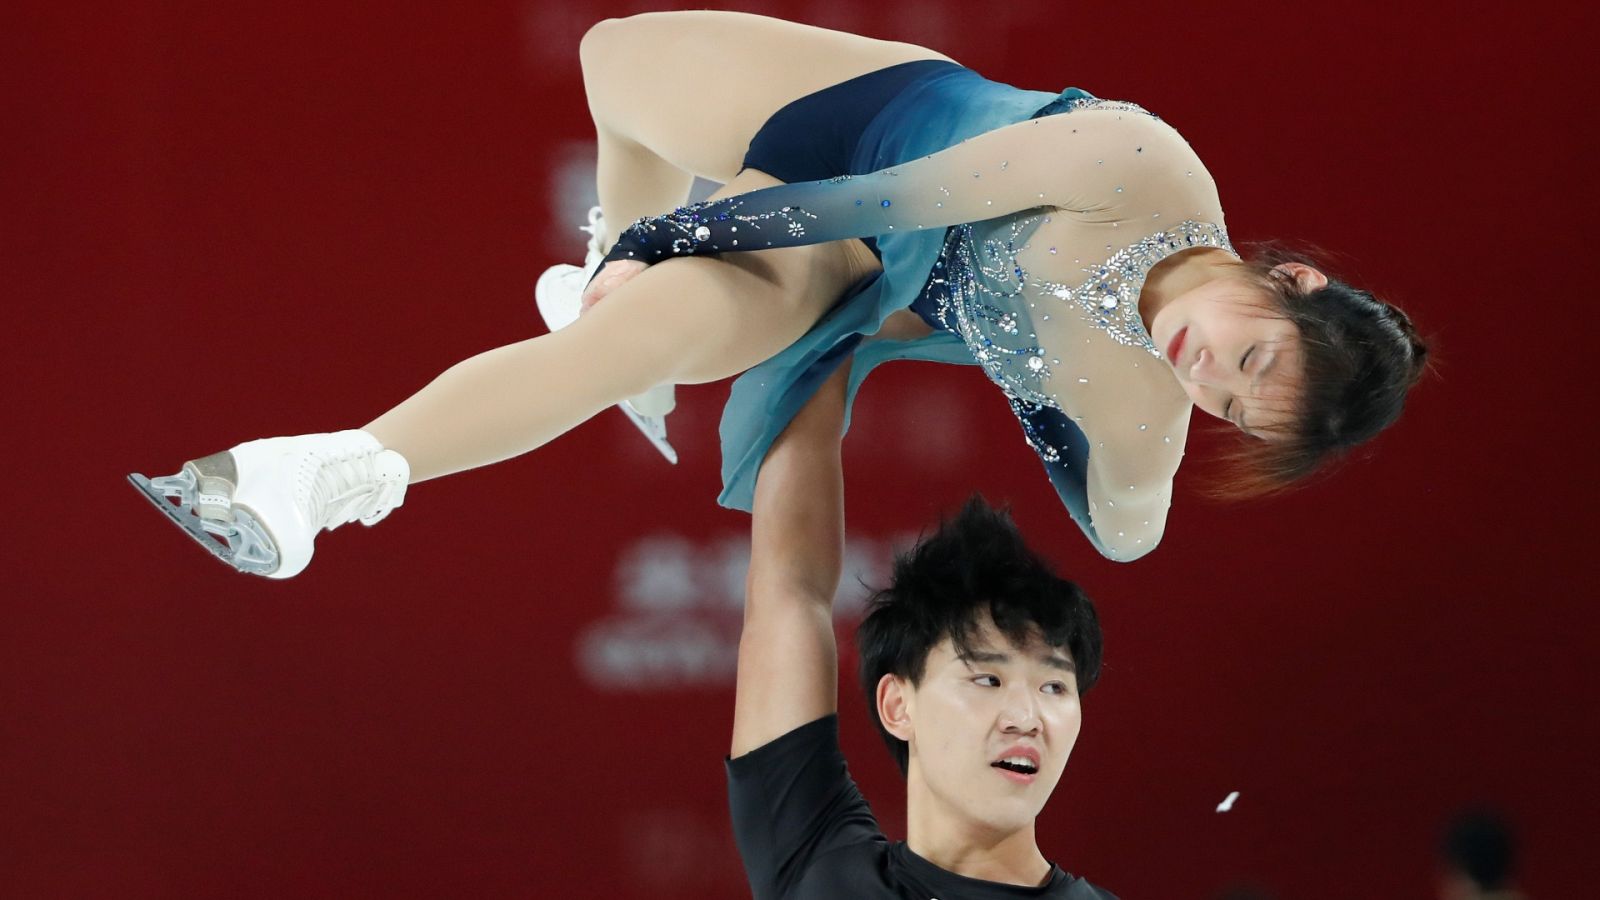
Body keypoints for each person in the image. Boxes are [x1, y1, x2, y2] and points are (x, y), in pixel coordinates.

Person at [128, 11, 1428, 578]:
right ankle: (609, 271)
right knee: (612, 61)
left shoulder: (1150, 413)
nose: (1217, 381)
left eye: (1244, 412)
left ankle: (321, 480)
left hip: (844, 270)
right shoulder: (1145, 163)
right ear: (1290, 281)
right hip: (882, 139)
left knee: (635, 340)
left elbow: (1121, 533)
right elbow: (898, 195)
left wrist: (1031, 380)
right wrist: (676, 228)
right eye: (1258, 358)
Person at [730, 360, 1114, 898]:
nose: (1027, 719)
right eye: (988, 679)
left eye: (1054, 686)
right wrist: (832, 335)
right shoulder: (820, 868)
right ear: (897, 705)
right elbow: (789, 592)